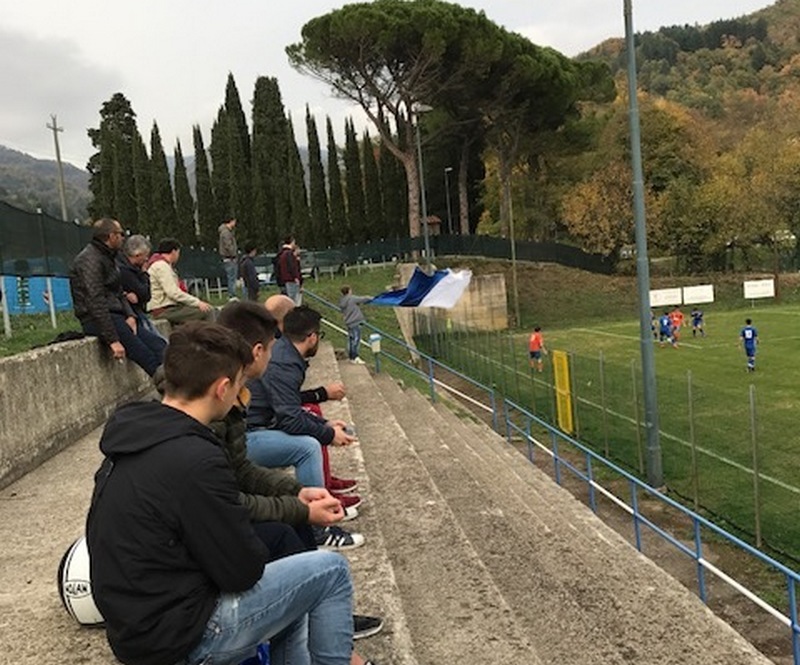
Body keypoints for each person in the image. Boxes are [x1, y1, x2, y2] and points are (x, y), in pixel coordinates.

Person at [86, 322, 377, 665]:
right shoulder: (196, 457)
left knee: (295, 584)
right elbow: (242, 570)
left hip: (137, 630)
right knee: (330, 571)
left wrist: (291, 500)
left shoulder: (133, 437)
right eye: (241, 384)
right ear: (222, 388)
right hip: (181, 640)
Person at [214, 302, 382, 640]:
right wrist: (298, 503)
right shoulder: (206, 421)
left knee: (292, 528)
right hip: (193, 604)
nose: (274, 355)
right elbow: (225, 499)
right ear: (258, 350)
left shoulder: (227, 397)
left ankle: (318, 595)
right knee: (306, 446)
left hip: (236, 481)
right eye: (272, 347)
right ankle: (330, 629)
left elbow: (241, 473)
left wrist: (296, 497)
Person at [265, 294, 359, 498]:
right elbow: (289, 417)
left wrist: (324, 423)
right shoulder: (284, 363)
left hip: (263, 423)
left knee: (314, 419)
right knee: (308, 447)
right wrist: (330, 434)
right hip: (255, 432)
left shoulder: (284, 353)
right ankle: (318, 518)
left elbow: (287, 403)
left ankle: (324, 487)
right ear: (313, 337)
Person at [69, 218, 166, 377]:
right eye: (121, 234)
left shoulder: (109, 257)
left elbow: (118, 290)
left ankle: (177, 389)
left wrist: (130, 315)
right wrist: (113, 339)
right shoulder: (89, 260)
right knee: (147, 357)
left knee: (159, 346)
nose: (123, 238)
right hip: (98, 319)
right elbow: (95, 301)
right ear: (111, 236)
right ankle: (172, 394)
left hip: (117, 315)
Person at [147, 237, 214, 324]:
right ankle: (212, 337)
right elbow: (173, 292)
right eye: (178, 252)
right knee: (208, 311)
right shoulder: (162, 266)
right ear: (174, 251)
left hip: (167, 307)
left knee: (200, 308)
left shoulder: (161, 265)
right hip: (165, 310)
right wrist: (197, 302)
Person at [116, 235, 164, 339]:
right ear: (137, 254)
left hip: (137, 311)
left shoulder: (128, 267)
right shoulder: (126, 271)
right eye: (145, 255)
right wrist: (144, 273)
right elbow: (145, 294)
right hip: (134, 314)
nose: (147, 259)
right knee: (159, 343)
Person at [339, 285, 372, 365]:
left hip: (349, 322)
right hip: (355, 322)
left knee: (350, 340)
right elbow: (363, 299)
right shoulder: (351, 298)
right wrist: (373, 298)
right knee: (356, 340)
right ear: (349, 291)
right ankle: (355, 357)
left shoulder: (342, 301)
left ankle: (351, 357)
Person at [275, 235, 303, 304]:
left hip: (283, 280)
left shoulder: (281, 253)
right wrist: (296, 277)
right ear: (292, 242)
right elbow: (292, 266)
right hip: (291, 280)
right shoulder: (289, 253)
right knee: (293, 301)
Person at [218, 217, 239, 300]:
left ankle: (232, 294)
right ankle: (232, 295)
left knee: (232, 277)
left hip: (229, 258)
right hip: (230, 258)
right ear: (231, 221)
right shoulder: (226, 232)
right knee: (232, 277)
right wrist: (234, 254)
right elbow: (228, 245)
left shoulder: (226, 232)